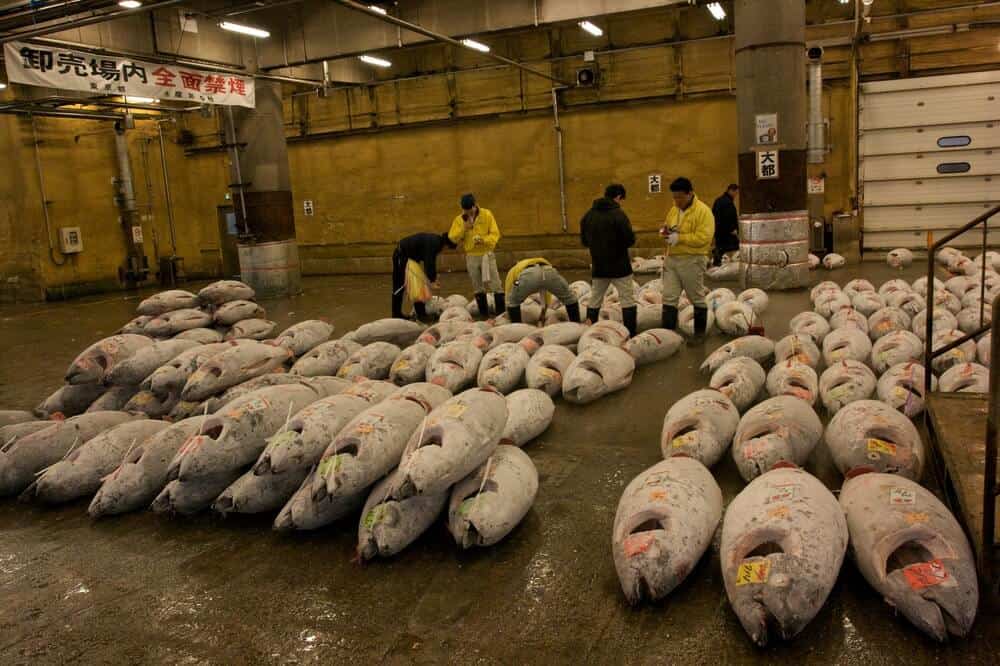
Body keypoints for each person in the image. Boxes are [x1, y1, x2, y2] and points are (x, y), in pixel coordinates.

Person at [660, 177, 715, 345]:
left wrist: (680, 238)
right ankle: (666, 336)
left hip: (693, 260)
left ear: (690, 193)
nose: (676, 201)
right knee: (669, 296)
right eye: (674, 197)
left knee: (696, 297)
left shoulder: (703, 211)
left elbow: (705, 238)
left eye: (680, 197)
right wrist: (665, 232)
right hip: (673, 260)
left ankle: (699, 335)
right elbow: (666, 226)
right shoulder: (674, 210)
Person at [579, 183, 638, 337]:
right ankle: (630, 334)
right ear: (618, 197)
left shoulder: (588, 215)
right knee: (627, 300)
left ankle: (588, 333)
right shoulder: (618, 214)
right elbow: (630, 239)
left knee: (595, 299)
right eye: (621, 199)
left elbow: (584, 241)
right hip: (620, 267)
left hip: (599, 266)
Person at [448, 193, 504, 318]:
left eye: (470, 210)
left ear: (475, 205)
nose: (469, 213)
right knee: (477, 286)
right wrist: (464, 228)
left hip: (487, 255)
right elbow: (453, 238)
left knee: (496, 284)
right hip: (472, 256)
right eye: (466, 211)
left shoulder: (487, 214)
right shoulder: (459, 219)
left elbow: (495, 234)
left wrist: (484, 240)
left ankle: (501, 314)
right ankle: (484, 315)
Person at [391, 231, 457, 321]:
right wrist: (432, 281)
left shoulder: (436, 240)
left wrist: (433, 278)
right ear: (446, 245)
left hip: (410, 258)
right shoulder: (435, 244)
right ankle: (396, 315)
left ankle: (421, 315)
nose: (444, 251)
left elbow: (430, 262)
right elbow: (429, 262)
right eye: (447, 249)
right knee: (399, 286)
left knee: (417, 286)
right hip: (402, 256)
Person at [504, 257, 581, 324]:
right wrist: (544, 309)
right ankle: (576, 323)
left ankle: (516, 326)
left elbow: (509, 289)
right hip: (549, 271)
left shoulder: (513, 270)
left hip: (528, 275)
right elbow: (546, 290)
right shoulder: (539, 260)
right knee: (570, 299)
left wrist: (509, 307)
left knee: (513, 302)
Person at [712, 183, 740, 266]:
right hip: (727, 232)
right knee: (729, 249)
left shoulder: (718, 200)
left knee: (720, 248)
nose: (736, 195)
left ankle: (717, 265)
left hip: (718, 231)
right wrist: (732, 229)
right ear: (731, 190)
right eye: (736, 192)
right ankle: (725, 267)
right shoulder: (727, 202)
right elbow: (728, 217)